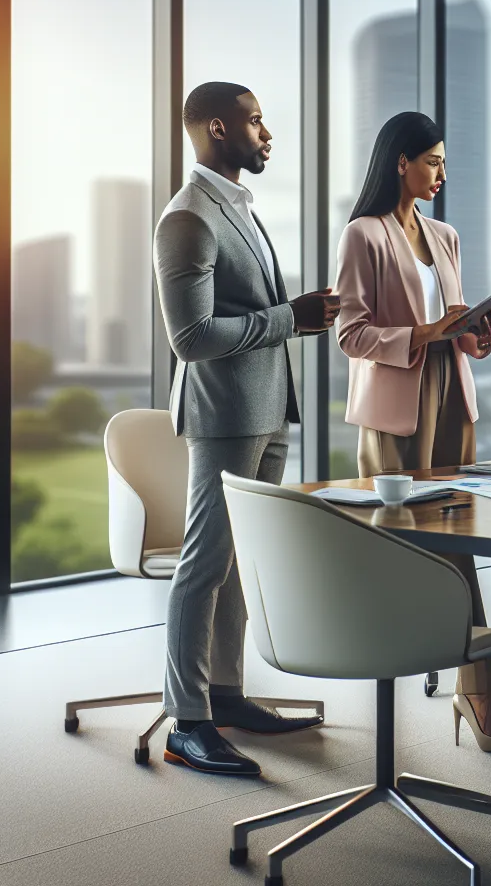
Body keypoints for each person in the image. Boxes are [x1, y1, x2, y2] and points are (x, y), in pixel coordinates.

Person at [153, 81, 340, 776]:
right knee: (203, 564)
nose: (267, 133)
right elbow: (191, 338)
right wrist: (292, 318)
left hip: (267, 409)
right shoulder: (187, 218)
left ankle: (225, 695)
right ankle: (187, 721)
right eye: (255, 120)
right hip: (226, 413)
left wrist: (297, 317)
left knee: (238, 563)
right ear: (216, 128)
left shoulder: (239, 208)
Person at [333, 111, 491, 753]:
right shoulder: (363, 234)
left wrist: (482, 333)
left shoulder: (445, 235)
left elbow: (461, 334)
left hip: (451, 402)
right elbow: (350, 334)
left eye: (445, 161)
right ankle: (452, 689)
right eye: (434, 161)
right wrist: (426, 332)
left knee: (459, 542)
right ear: (402, 162)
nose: (443, 172)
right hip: (396, 408)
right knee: (401, 548)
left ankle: (475, 690)